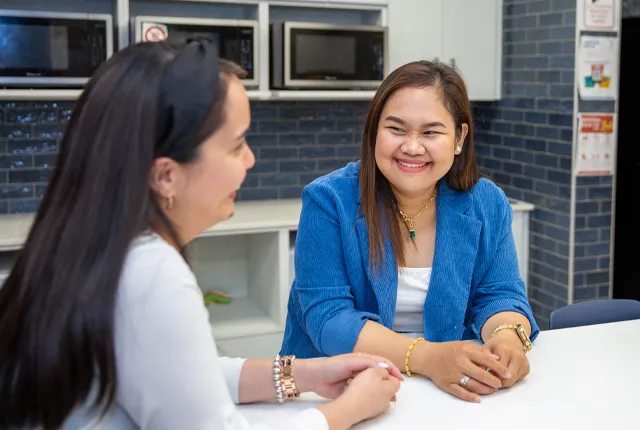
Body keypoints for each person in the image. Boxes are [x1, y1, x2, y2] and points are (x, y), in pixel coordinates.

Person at [0, 39, 402, 430]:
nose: (250, 159)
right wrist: (348, 410)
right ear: (166, 175)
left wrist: (303, 373)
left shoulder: (92, 243)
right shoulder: (152, 275)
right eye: (236, 145)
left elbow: (181, 376)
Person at [280, 60, 540, 404]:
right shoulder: (329, 200)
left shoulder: (485, 201)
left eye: (431, 132)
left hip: (442, 392)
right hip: (331, 390)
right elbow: (328, 320)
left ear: (459, 138)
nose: (412, 147)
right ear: (374, 131)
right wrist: (429, 358)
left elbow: (500, 295)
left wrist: (507, 340)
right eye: (397, 129)